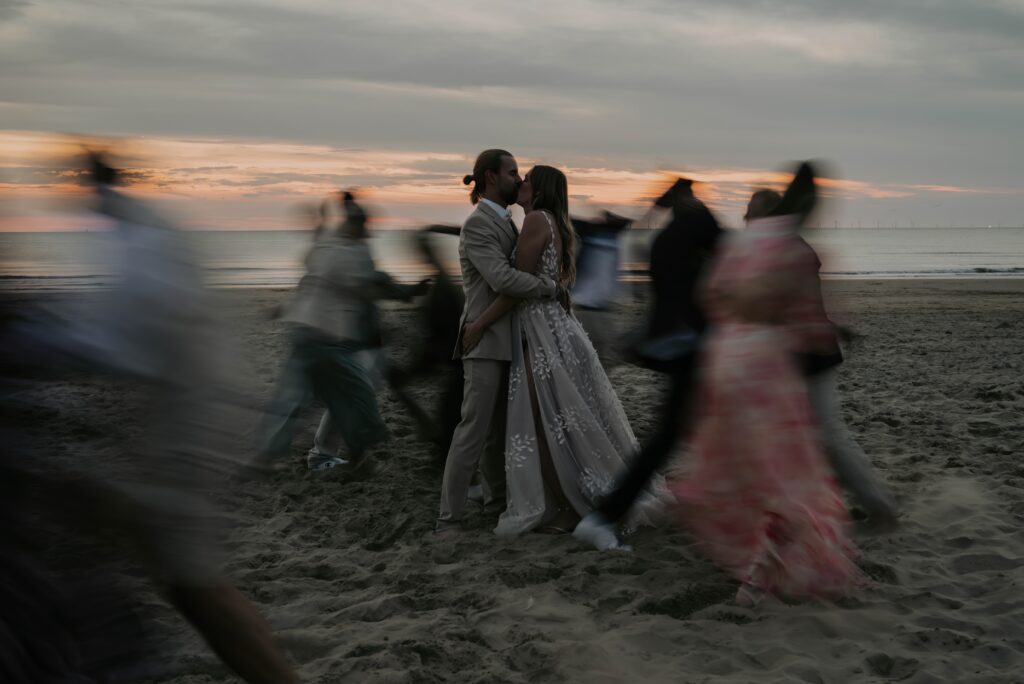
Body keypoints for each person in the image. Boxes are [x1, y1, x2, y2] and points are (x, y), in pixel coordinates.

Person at [21, 151, 300, 684]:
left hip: (190, 434)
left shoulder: (140, 244)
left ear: (93, 183)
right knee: (186, 576)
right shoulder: (140, 230)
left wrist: (37, 333)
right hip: (187, 425)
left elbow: (122, 344)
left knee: (189, 581)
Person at [672, 163, 862, 604]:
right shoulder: (794, 250)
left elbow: (710, 295)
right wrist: (825, 331)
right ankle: (757, 578)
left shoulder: (742, 244)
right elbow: (810, 328)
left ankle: (749, 562)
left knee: (746, 471)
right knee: (787, 477)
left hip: (724, 360)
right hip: (764, 369)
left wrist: (737, 325)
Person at [462, 165, 661, 539]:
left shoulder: (537, 219)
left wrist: (480, 324)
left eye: (527, 179)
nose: (521, 183)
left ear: (539, 189)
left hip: (540, 331)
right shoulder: (553, 221)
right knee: (560, 421)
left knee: (544, 424)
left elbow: (514, 288)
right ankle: (570, 499)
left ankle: (570, 508)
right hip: (553, 327)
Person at [575, 179, 722, 550]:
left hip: (680, 344)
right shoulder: (695, 227)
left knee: (674, 433)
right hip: (693, 346)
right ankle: (606, 515)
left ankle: (607, 514)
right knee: (670, 433)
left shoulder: (667, 238)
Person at [259, 191, 426, 471]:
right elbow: (366, 285)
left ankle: (334, 455)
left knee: (335, 396)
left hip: (351, 337)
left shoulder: (344, 248)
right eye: (360, 223)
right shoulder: (343, 251)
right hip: (340, 340)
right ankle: (321, 454)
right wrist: (407, 292)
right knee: (339, 396)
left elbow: (353, 284)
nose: (365, 230)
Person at [436, 149, 558, 532]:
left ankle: (496, 501)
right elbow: (501, 280)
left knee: (498, 432)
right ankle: (449, 516)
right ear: (491, 177)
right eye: (512, 173)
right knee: (472, 430)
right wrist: (548, 288)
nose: (519, 180)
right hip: (485, 340)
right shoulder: (478, 226)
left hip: (510, 340)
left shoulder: (505, 221)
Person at [386, 226, 466, 464]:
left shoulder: (442, 289)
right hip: (455, 359)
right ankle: (443, 452)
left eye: (420, 250)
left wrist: (411, 370)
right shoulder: (443, 283)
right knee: (449, 413)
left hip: (460, 360)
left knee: (451, 414)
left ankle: (446, 458)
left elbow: (436, 343)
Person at [570, 211, 631, 366]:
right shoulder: (610, 244)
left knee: (587, 358)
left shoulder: (592, 241)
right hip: (596, 311)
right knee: (600, 358)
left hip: (585, 308)